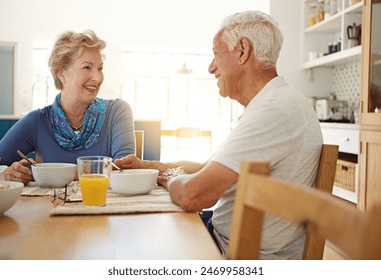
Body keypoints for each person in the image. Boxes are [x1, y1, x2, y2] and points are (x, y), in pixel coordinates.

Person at [115, 10, 323, 259]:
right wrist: (148, 166)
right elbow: (204, 167)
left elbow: (193, 195)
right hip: (223, 237)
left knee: (130, 246)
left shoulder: (275, 109)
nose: (211, 67)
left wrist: (168, 179)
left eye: (216, 54)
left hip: (236, 254)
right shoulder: (271, 103)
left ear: (243, 51)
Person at [0, 30, 135, 185]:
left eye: (100, 68)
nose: (98, 77)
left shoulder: (117, 111)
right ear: (62, 74)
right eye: (87, 67)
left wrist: (44, 173)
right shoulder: (37, 121)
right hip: (50, 207)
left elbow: (124, 170)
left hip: (105, 206)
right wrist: (8, 173)